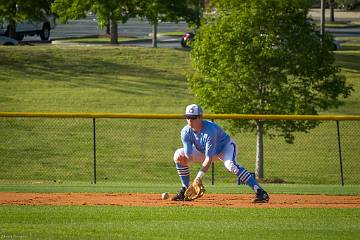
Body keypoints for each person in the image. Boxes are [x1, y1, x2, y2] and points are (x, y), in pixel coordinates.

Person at [172, 104, 270, 203]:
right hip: (203, 151)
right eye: (187, 117)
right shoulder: (185, 131)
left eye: (193, 118)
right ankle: (185, 190)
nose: (190, 120)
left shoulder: (210, 130)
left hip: (225, 148)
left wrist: (198, 178)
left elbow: (208, 159)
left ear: (200, 117)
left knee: (231, 165)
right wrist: (187, 161)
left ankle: (260, 192)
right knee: (178, 155)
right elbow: (189, 154)